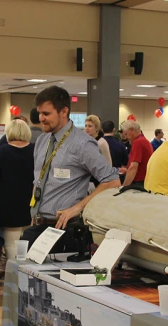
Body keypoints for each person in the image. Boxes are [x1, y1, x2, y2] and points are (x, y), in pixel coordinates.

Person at [21, 85, 120, 250]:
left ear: (64, 111)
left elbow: (112, 181)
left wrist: (77, 208)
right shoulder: (42, 141)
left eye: (46, 113)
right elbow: (38, 180)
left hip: (63, 231)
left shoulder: (82, 144)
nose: (41, 118)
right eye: (39, 113)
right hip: (36, 227)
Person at [0, 119, 34, 260]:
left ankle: (13, 277)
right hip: (31, 204)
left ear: (9, 133)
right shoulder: (35, 150)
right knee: (29, 244)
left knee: (10, 244)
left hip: (7, 204)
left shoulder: (0, 152)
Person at [121, 120, 153, 187]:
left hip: (138, 183)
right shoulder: (145, 141)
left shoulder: (138, 143)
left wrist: (123, 187)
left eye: (126, 134)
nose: (126, 137)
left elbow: (133, 167)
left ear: (131, 130)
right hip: (145, 181)